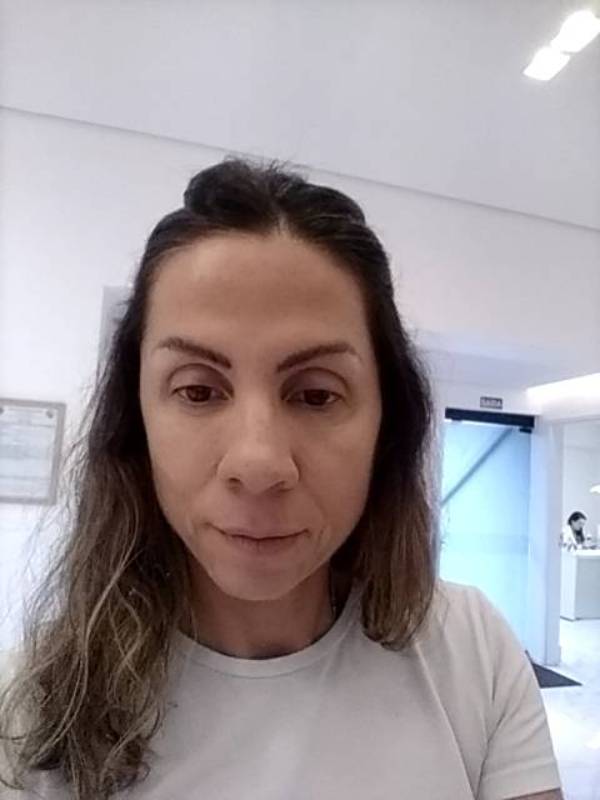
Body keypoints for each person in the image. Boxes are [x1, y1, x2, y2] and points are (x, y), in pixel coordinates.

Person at [0, 158, 562, 800]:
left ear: (388, 424)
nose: (259, 463)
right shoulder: (33, 709)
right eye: (198, 391)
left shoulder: (472, 650)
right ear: (136, 420)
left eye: (317, 395)